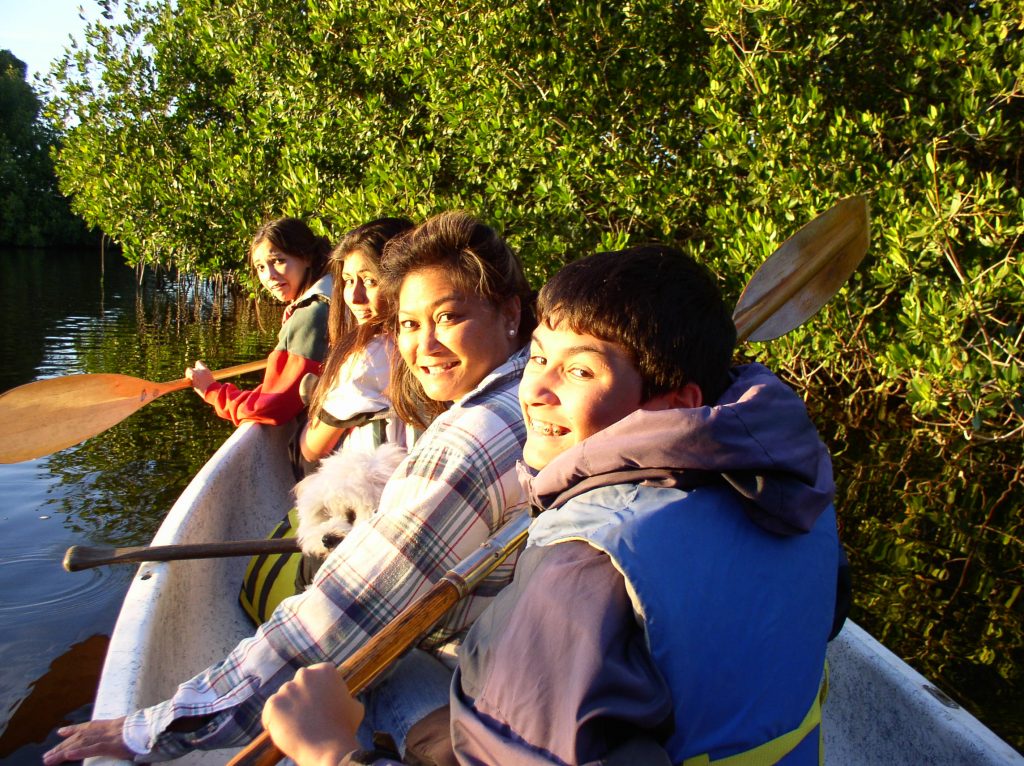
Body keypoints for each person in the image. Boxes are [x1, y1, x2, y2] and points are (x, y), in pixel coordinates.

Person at [260, 245, 843, 765]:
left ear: (679, 404)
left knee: (380, 686)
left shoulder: (583, 569)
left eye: (580, 369)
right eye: (538, 357)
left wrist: (330, 751)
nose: (534, 391)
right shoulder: (797, 491)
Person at [42, 210, 537, 766]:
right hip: (493, 644)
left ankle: (415, 743)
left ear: (511, 312)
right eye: (409, 323)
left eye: (448, 317)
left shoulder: (469, 440)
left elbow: (343, 616)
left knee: (342, 662)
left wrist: (156, 726)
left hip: (481, 673)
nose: (423, 346)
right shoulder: (533, 393)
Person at [294, 216, 416, 474]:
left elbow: (311, 449)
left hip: (377, 494)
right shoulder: (430, 342)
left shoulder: (371, 357)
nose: (354, 297)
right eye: (349, 281)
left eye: (370, 281)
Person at [186, 216, 332, 426]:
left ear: (307, 257)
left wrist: (212, 391)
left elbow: (274, 404)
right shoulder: (335, 293)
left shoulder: (313, 314)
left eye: (279, 261)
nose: (269, 276)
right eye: (261, 267)